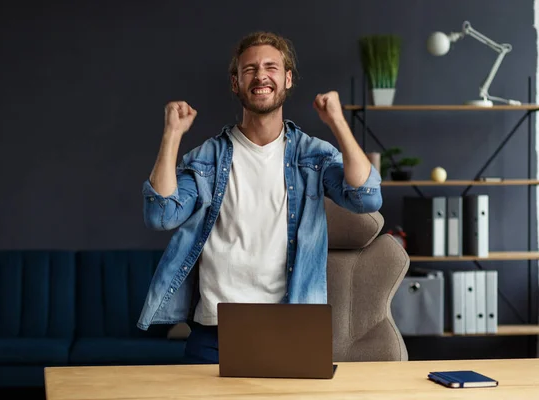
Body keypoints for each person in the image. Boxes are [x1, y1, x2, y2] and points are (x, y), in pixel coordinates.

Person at [137, 31, 382, 364]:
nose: (261, 75)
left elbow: (366, 198)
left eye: (271, 67)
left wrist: (337, 122)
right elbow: (161, 215)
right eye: (249, 69)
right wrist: (172, 135)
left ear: (287, 78)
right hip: (214, 332)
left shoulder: (312, 155)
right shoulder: (207, 158)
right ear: (236, 83)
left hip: (292, 328)